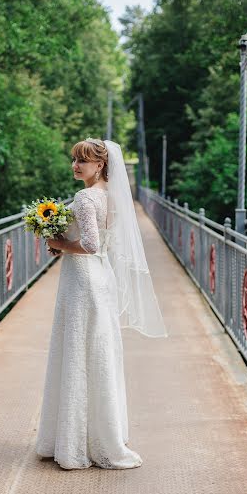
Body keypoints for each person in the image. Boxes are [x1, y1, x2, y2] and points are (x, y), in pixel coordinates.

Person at [35, 138, 168, 470]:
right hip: (102, 278)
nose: (76, 165)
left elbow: (90, 244)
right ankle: (105, 434)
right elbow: (102, 243)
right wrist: (64, 243)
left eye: (83, 160)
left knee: (78, 353)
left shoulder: (84, 197)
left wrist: (58, 242)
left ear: (101, 165)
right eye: (74, 159)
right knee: (99, 354)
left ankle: (74, 441)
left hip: (82, 281)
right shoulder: (114, 196)